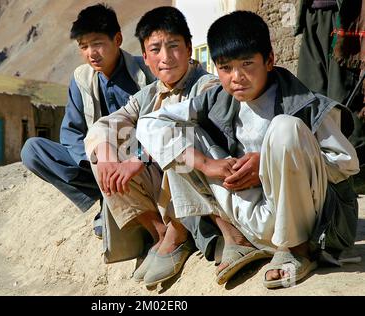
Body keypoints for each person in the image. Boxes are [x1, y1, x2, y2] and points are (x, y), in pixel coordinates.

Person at [137, 10, 360, 289]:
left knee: (285, 129)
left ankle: (296, 250)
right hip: (252, 219)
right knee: (178, 134)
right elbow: (148, 124)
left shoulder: (305, 103)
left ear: (269, 61)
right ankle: (239, 240)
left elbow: (347, 163)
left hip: (311, 225)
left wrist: (270, 166)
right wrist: (207, 164)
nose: (236, 77)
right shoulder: (217, 99)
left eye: (247, 64)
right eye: (225, 68)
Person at [84, 6, 220, 287]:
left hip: (207, 195)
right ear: (145, 57)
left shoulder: (207, 86)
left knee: (178, 143)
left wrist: (138, 156)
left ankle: (181, 233)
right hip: (166, 195)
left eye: (173, 47)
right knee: (103, 153)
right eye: (156, 49)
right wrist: (109, 156)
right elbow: (105, 125)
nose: (166, 58)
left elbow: (182, 130)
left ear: (189, 47)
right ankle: (162, 233)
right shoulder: (148, 94)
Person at [20, 3, 154, 238]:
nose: (91, 52)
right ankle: (106, 195)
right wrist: (95, 161)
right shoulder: (81, 78)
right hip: (98, 161)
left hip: (139, 159)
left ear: (118, 39)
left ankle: (125, 199)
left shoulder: (144, 73)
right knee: (33, 150)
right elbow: (71, 132)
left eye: (98, 43)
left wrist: (129, 158)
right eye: (84, 46)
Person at [296, 0, 365, 164]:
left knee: (343, 100)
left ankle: (355, 167)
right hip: (313, 13)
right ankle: (319, 165)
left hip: (348, 17)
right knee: (310, 95)